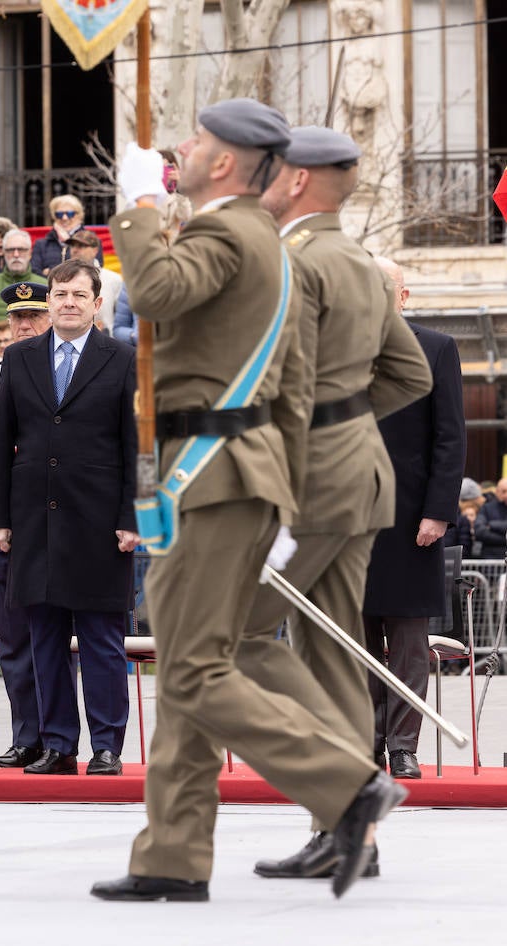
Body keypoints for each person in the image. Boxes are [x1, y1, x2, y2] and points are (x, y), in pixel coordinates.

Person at [91, 99, 400, 903]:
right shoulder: (267, 241)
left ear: (224, 164)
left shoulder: (226, 233)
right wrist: (286, 496)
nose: (182, 150)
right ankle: (173, 854)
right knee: (194, 664)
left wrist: (137, 207)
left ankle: (346, 786)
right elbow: (295, 387)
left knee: (192, 670)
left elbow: (154, 292)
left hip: (212, 469)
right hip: (235, 472)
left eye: (196, 143)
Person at [238, 127, 433, 881]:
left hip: (313, 483)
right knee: (331, 652)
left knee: (230, 632)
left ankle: (352, 795)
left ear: (298, 180)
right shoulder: (355, 259)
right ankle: (352, 835)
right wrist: (347, 419)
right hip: (359, 477)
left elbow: (263, 381)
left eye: (272, 172)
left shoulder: (295, 262)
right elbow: (407, 372)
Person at [0, 259, 139, 777]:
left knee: (101, 641)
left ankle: (107, 746)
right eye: (60, 293)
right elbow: (2, 445)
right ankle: (57, 745)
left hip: (99, 524)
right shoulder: (21, 357)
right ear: (48, 301)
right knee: (43, 639)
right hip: (33, 523)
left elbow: (138, 446)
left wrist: (132, 517)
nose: (68, 302)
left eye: (79, 294)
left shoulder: (121, 359)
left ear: (98, 303)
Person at [363, 255, 465, 781]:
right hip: (348, 526)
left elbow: (450, 437)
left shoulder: (436, 349)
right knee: (353, 642)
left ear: (403, 297)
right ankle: (365, 744)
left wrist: (438, 512)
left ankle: (402, 745)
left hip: (410, 524)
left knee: (407, 644)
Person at [0, 281, 53, 767]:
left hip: (60, 521)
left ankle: (58, 737)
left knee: (55, 636)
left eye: (33, 317)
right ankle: (26, 736)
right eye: (16, 318)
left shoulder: (67, 371)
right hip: (10, 528)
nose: (23, 326)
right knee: (15, 637)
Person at [64, 229, 123, 332]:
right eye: (72, 246)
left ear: (95, 250)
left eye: (81, 246)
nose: (74, 250)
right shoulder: (60, 279)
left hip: (105, 342)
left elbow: (123, 319)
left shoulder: (113, 279)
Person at [30, 194, 100, 274]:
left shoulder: (92, 240)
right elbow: (34, 272)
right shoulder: (41, 244)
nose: (64, 218)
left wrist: (50, 271)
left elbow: (94, 268)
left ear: (79, 215)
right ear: (54, 216)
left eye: (70, 214)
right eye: (59, 214)